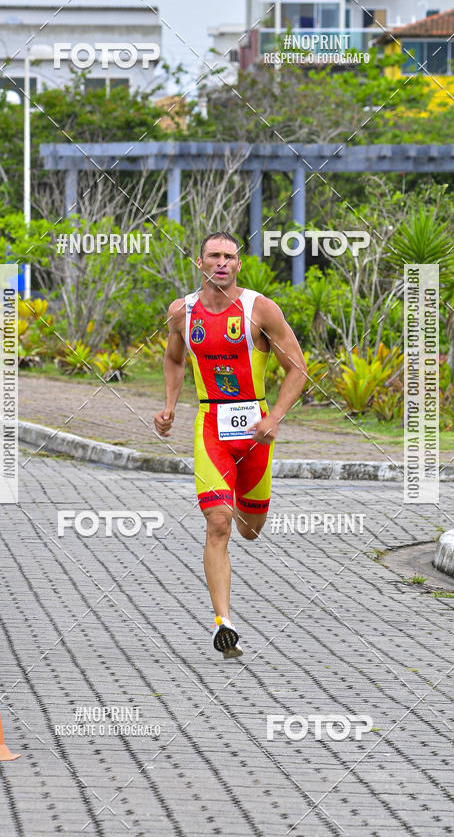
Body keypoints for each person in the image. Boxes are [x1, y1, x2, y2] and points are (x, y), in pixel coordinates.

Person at [154, 232, 307, 658]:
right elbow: (173, 357)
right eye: (214, 256)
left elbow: (297, 368)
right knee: (218, 523)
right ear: (199, 263)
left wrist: (273, 418)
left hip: (255, 430)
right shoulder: (182, 312)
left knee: (249, 530)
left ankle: (243, 505)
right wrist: (169, 408)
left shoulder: (260, 309)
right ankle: (223, 621)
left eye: (229, 257)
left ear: (239, 264)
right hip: (211, 427)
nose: (221, 263)